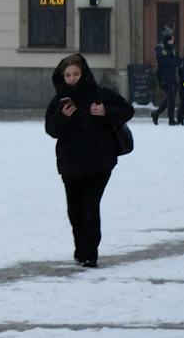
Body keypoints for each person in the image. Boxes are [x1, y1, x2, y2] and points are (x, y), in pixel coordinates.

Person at [44, 53, 133, 268]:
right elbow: (51, 129)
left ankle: (90, 253)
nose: (72, 78)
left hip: (99, 162)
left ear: (83, 74)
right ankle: (81, 249)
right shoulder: (59, 101)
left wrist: (105, 111)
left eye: (76, 74)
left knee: (90, 207)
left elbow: (127, 110)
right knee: (74, 210)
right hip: (70, 164)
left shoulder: (99, 94)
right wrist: (62, 117)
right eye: (68, 75)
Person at [151, 36, 179, 126]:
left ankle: (156, 113)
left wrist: (175, 62)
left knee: (169, 99)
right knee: (171, 99)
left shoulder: (172, 50)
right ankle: (171, 120)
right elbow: (166, 63)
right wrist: (174, 62)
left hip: (173, 77)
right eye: (171, 40)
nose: (172, 42)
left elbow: (176, 61)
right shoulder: (161, 51)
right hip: (165, 78)